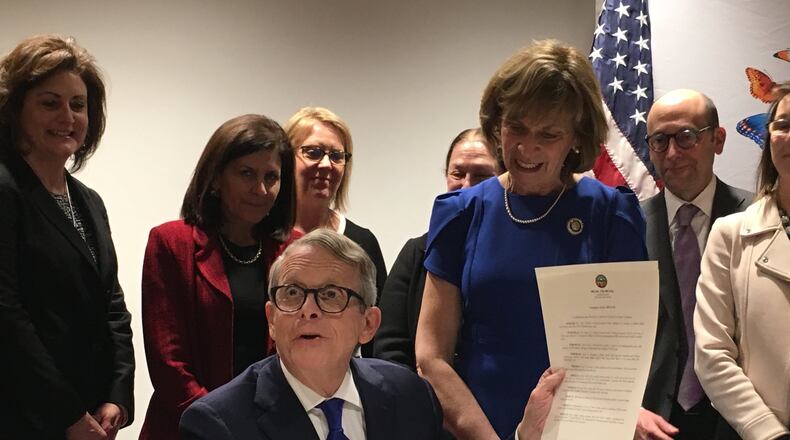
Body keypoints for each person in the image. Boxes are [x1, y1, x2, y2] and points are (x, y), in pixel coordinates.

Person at [415, 39, 647, 439]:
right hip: (476, 424)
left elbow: (620, 353)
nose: (526, 147)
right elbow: (431, 355)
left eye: (548, 134)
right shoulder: (461, 213)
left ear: (576, 137)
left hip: (579, 428)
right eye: (516, 127)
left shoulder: (611, 214)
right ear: (497, 121)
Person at [178, 229, 443, 439]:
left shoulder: (413, 397)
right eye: (292, 293)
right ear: (271, 319)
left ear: (368, 324)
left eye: (330, 295)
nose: (308, 310)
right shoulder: (218, 425)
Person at [0, 35, 134, 439]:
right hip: (25, 417)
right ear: (15, 108)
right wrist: (67, 414)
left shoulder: (88, 200)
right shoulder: (5, 189)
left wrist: (118, 396)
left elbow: (112, 304)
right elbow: (6, 315)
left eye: (78, 105)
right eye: (49, 102)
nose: (68, 116)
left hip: (92, 414)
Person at [139, 114, 295, 439]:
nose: (261, 189)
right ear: (216, 178)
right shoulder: (170, 243)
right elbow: (169, 362)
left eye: (272, 176)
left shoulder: (294, 250)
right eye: (246, 174)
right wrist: (220, 426)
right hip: (188, 427)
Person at [638, 89, 752, 440]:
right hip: (651, 421)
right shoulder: (627, 226)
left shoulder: (760, 220)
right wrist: (628, 407)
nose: (673, 153)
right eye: (660, 140)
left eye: (686, 137)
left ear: (717, 140)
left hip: (743, 417)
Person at [694, 82, 790, 440]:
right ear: (768, 138)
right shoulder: (730, 233)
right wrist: (768, 433)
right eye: (784, 125)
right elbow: (712, 354)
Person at [374, 128, 500, 369]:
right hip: (420, 400)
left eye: (482, 176)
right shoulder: (416, 252)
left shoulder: (516, 255)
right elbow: (389, 347)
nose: (466, 187)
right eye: (458, 174)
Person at [284, 106, 386, 300]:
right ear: (286, 157)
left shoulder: (362, 242)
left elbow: (379, 320)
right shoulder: (261, 235)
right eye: (313, 152)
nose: (326, 164)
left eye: (337, 156)